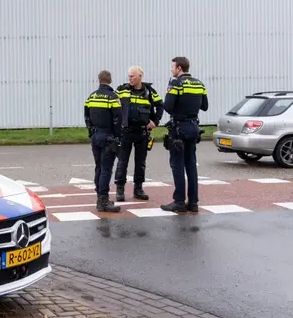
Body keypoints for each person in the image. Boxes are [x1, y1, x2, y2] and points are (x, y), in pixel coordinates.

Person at [160, 56, 209, 213]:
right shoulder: (199, 84)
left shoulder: (176, 83)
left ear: (179, 68)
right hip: (194, 127)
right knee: (191, 165)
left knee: (177, 165)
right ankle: (193, 202)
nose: (171, 69)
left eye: (173, 67)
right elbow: (205, 106)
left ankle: (179, 201)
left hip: (179, 128)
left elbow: (168, 106)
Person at [113, 66, 164, 202]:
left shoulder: (149, 91)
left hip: (142, 131)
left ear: (140, 77)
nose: (130, 79)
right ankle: (120, 189)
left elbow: (160, 105)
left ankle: (138, 188)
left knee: (140, 162)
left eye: (132, 76)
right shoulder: (121, 90)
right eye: (129, 76)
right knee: (122, 161)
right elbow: (112, 105)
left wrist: (155, 121)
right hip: (126, 132)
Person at [84, 70, 122, 212]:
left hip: (96, 137)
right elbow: (118, 119)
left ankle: (99, 196)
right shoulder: (113, 97)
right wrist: (117, 137)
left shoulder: (91, 97)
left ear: (99, 80)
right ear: (110, 80)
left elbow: (86, 117)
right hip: (108, 137)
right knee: (106, 169)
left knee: (98, 167)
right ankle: (103, 201)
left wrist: (91, 133)